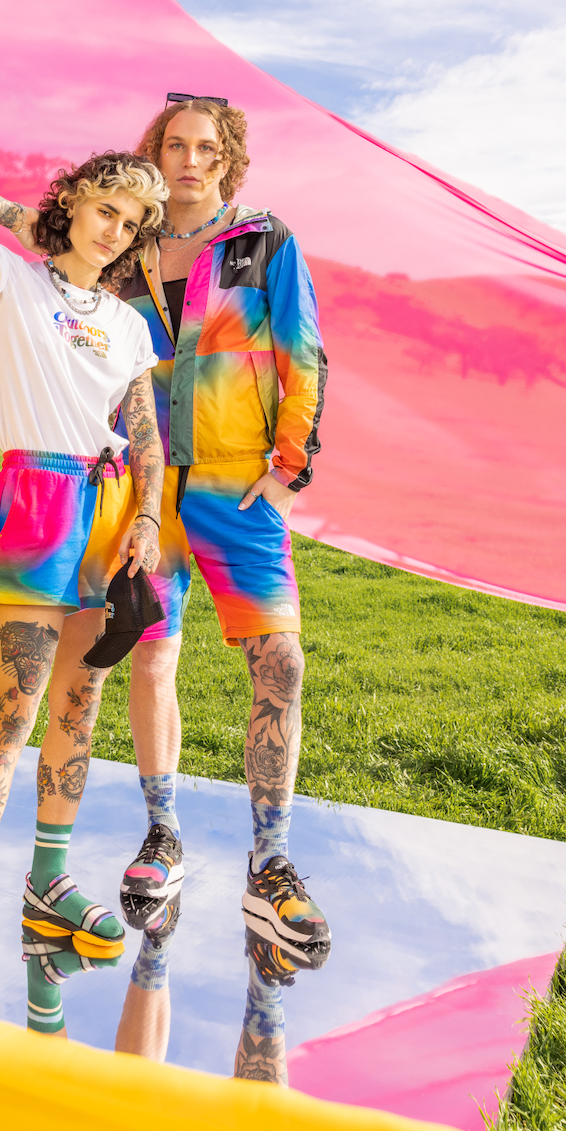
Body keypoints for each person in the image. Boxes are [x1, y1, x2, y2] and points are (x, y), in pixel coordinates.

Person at [0, 151, 168, 1032]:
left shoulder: (131, 325)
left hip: (111, 515)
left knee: (79, 706)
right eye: (106, 208)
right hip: (36, 498)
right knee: (13, 711)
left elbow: (146, 437)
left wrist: (145, 519)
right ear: (72, 205)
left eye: (132, 223)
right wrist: (35, 224)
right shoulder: (10, 284)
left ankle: (50, 885)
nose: (116, 231)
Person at [116, 95, 331, 962]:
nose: (191, 160)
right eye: (176, 145)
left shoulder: (264, 241)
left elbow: (303, 351)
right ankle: (163, 836)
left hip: (239, 488)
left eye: (208, 147)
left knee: (279, 661)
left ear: (229, 158)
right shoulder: (125, 249)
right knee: (152, 653)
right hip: (143, 492)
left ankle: (271, 861)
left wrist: (289, 473)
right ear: (155, 153)